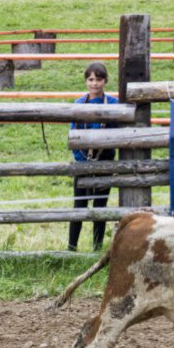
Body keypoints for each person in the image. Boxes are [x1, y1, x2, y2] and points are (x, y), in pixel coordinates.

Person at [69, 62, 119, 252]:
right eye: (91, 79)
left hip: (105, 161)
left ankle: (97, 248)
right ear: (85, 81)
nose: (95, 84)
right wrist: (82, 160)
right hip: (82, 162)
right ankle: (71, 247)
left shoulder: (114, 104)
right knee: (79, 205)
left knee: (100, 205)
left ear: (105, 81)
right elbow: (73, 132)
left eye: (98, 79)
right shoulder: (79, 104)